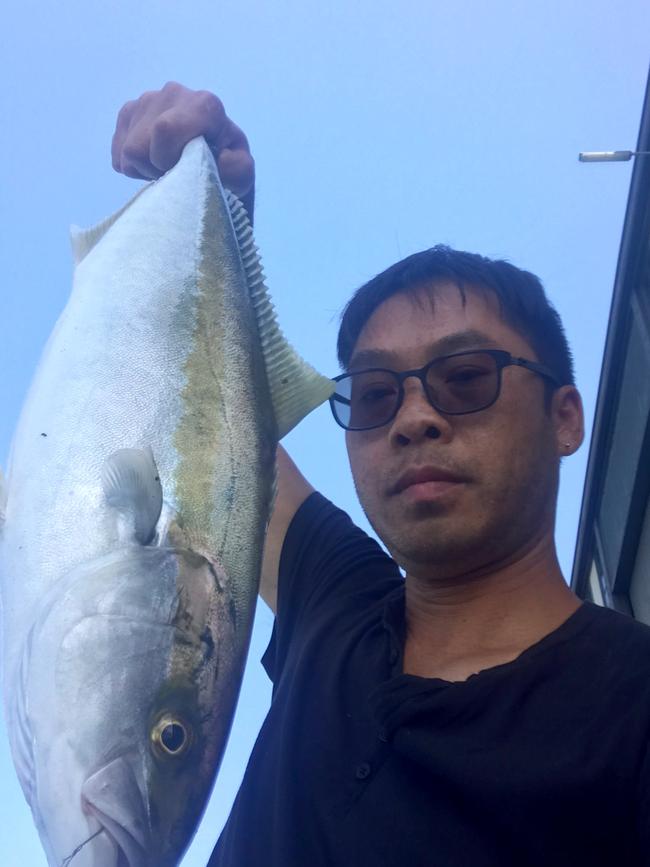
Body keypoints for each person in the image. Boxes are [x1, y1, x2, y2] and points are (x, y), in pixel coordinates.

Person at [113, 82, 650, 866]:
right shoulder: (337, 599)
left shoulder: (632, 704)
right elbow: (215, 445)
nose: (413, 417)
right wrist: (221, 208)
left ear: (566, 417)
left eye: (466, 377)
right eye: (373, 394)